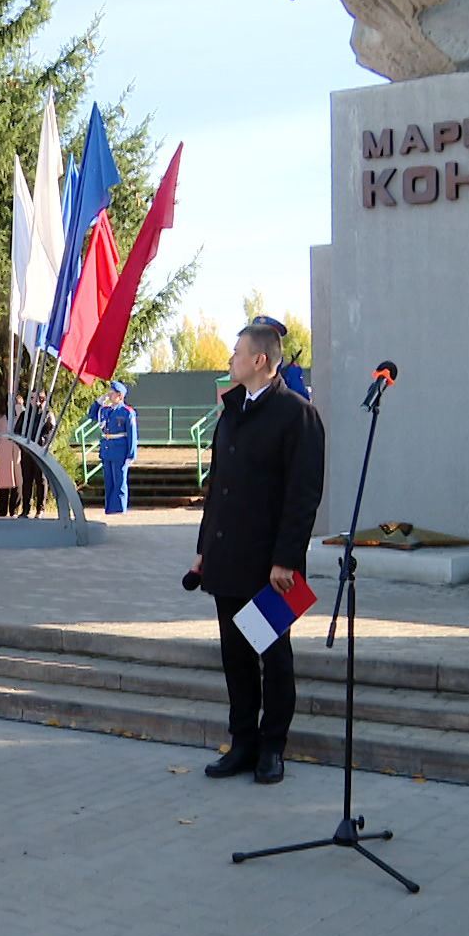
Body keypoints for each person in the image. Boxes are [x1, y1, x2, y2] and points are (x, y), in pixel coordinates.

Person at [191, 315, 325, 786]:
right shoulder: (232, 412)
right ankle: (243, 742)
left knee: (273, 655)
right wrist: (203, 550)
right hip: (228, 561)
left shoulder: (296, 414)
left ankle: (272, 747)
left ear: (260, 360)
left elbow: (303, 495)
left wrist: (286, 559)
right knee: (236, 655)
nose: (230, 359)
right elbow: (218, 490)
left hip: (272, 569)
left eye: (237, 351)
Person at [88, 380, 138, 515]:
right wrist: (98, 403)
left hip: (120, 451)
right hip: (107, 450)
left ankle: (120, 508)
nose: (109, 396)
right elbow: (92, 415)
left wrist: (131, 455)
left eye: (112, 394)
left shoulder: (127, 412)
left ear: (120, 396)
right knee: (109, 481)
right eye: (109, 394)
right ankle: (110, 508)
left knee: (120, 482)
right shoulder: (105, 410)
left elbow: (132, 435)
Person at [17, 389, 57, 517]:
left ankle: (40, 509)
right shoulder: (25, 415)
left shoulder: (47, 414)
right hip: (26, 452)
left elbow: (50, 432)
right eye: (31, 398)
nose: (32, 400)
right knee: (26, 481)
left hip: (40, 452)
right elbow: (16, 431)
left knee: (41, 480)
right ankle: (26, 509)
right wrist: (22, 445)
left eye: (35, 398)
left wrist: (42, 442)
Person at [0, 412, 21, 517]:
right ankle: (1, 511)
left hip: (17, 451)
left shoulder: (22, 415)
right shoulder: (1, 418)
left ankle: (15, 510)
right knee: (4, 483)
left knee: (18, 481)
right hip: (3, 451)